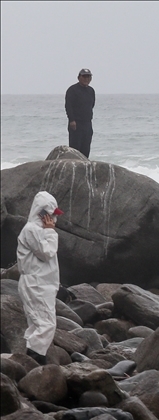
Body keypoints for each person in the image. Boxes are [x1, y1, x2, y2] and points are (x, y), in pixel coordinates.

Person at [17, 192, 65, 364]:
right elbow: (47, 252)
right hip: (36, 284)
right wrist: (51, 232)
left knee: (38, 323)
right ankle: (36, 361)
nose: (53, 219)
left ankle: (30, 362)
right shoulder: (32, 230)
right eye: (51, 214)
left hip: (41, 283)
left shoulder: (37, 230)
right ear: (43, 213)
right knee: (46, 324)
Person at [65, 69, 95, 158]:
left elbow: (91, 105)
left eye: (88, 77)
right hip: (76, 124)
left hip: (87, 123)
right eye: (84, 76)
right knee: (75, 150)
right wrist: (72, 120)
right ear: (79, 78)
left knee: (86, 149)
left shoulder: (91, 91)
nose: (86, 79)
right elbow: (68, 106)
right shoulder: (72, 90)